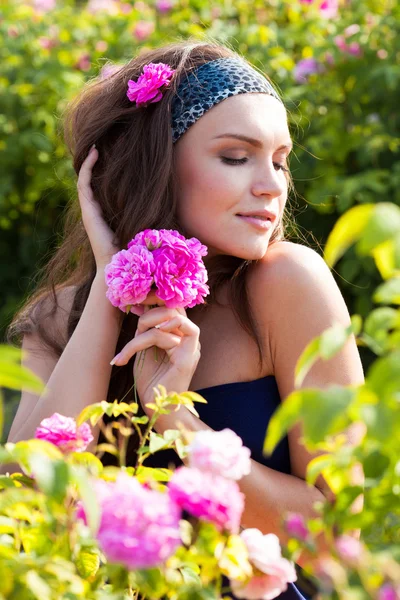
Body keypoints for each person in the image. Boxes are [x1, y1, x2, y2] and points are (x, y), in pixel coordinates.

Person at [4, 40, 364, 599]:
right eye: (236, 156)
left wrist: (178, 420)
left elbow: (342, 534)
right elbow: (23, 515)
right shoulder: (58, 315)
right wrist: (109, 286)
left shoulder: (286, 284)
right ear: (153, 165)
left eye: (280, 160)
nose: (271, 185)